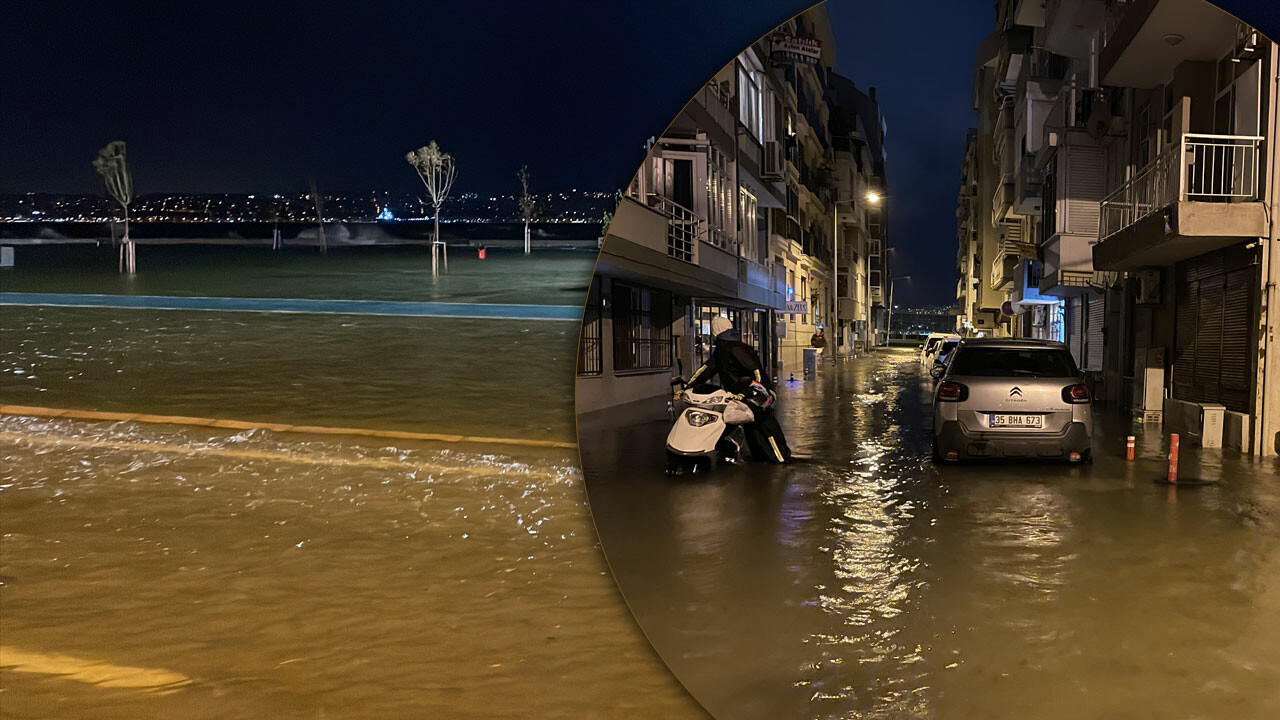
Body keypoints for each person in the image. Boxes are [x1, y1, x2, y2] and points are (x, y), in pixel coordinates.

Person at [687, 316, 792, 464]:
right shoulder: (730, 347)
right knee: (757, 428)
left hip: (752, 395)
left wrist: (763, 391)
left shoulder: (731, 348)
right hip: (747, 396)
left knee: (762, 428)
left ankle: (776, 462)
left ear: (715, 331)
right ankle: (771, 465)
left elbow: (754, 370)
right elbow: (707, 369)